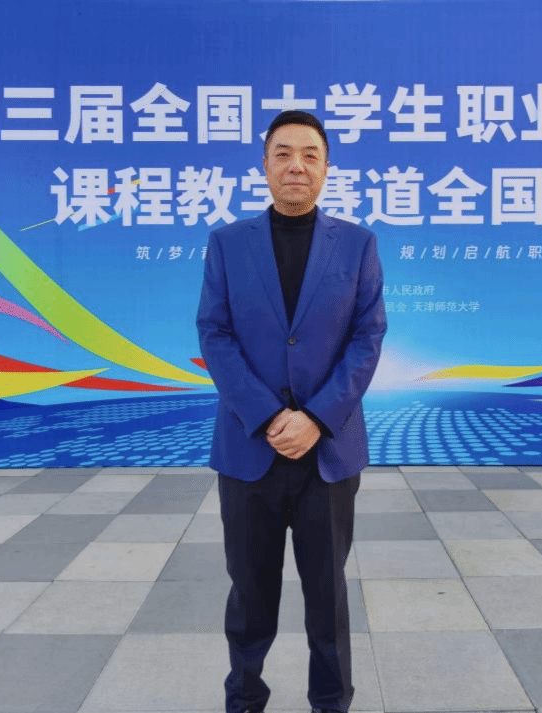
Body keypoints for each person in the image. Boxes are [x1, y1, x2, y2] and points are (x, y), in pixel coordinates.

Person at [196, 109, 387, 713]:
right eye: (283, 153)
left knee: (327, 598)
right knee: (249, 596)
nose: (296, 165)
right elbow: (214, 332)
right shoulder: (228, 244)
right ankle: (244, 699)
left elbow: (367, 336)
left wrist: (317, 418)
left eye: (310, 155)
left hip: (327, 453)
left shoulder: (357, 245)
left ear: (326, 168)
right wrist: (267, 416)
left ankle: (331, 703)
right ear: (265, 166)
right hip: (249, 448)